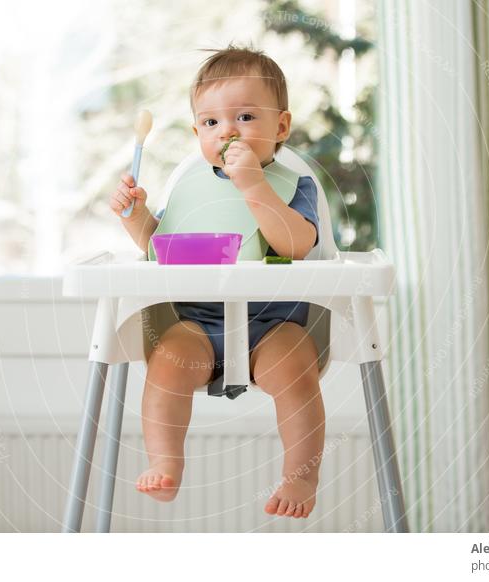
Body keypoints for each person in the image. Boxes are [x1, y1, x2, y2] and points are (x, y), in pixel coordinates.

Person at [109, 44, 325, 519]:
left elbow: (295, 244)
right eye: (210, 123)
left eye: (245, 116)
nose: (226, 130)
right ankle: (165, 463)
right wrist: (136, 215)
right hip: (199, 323)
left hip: (273, 323)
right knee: (165, 363)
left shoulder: (294, 185)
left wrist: (253, 186)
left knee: (295, 369)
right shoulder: (190, 187)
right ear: (197, 133)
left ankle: (301, 473)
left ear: (280, 128)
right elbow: (157, 248)